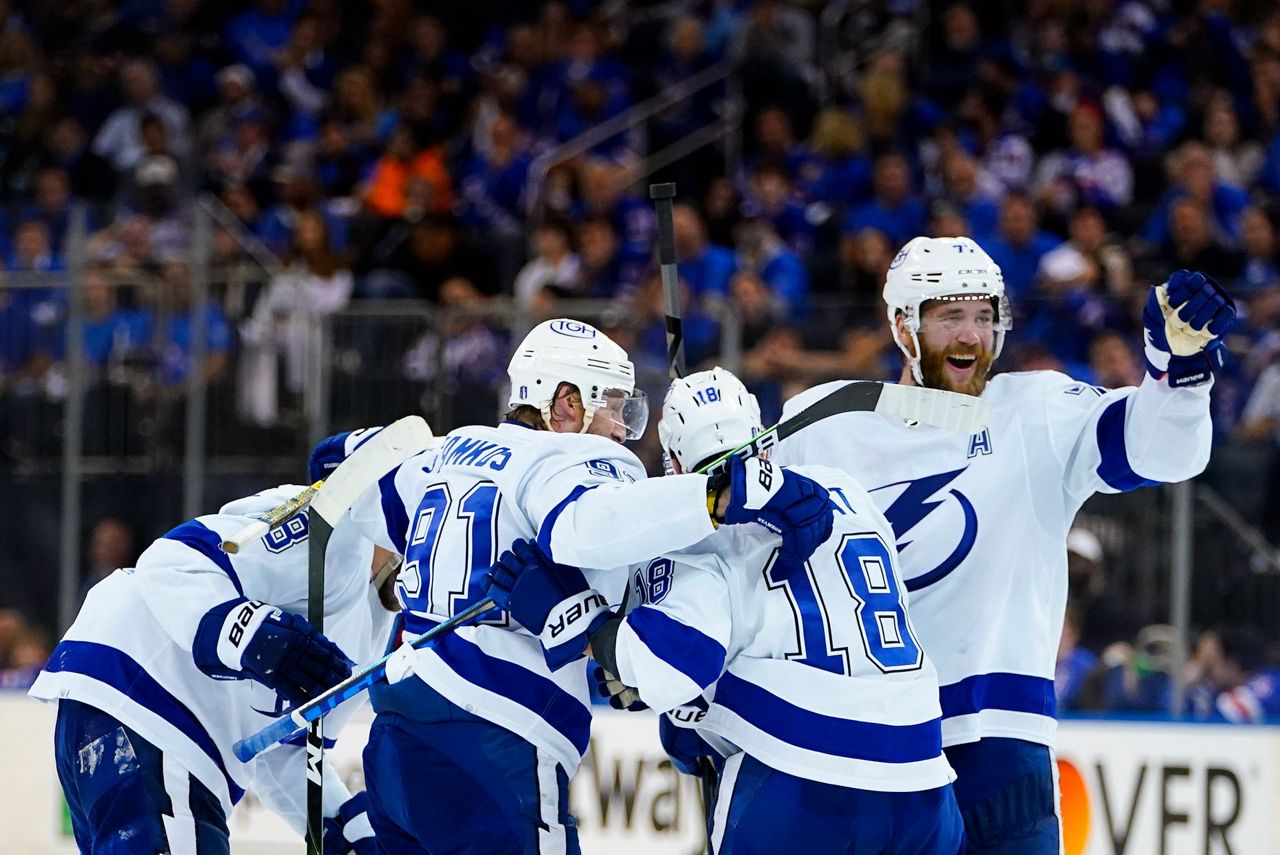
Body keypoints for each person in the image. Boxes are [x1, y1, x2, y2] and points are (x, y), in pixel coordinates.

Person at [772, 237, 1235, 853]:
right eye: (949, 316)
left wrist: (1178, 374)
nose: (971, 336)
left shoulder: (1034, 411)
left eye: (985, 315)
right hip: (857, 743)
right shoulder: (820, 424)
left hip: (1000, 743)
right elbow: (747, 558)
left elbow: (1161, 451)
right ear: (902, 325)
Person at [340, 318, 830, 854]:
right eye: (615, 407)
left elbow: (368, 497)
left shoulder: (451, 450)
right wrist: (716, 497)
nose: (623, 430)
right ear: (567, 405)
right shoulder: (568, 458)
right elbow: (588, 526)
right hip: (492, 739)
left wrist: (347, 452)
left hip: (393, 740)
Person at [485, 367, 964, 853]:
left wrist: (582, 624)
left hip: (803, 781)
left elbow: (669, 665)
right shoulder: (846, 490)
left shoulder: (692, 535)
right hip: (924, 775)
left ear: (674, 462)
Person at [29, 481, 399, 854]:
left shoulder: (377, 634)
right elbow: (173, 561)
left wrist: (340, 821)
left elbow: (283, 749)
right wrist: (254, 637)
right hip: (153, 700)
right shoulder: (329, 522)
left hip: (146, 723)